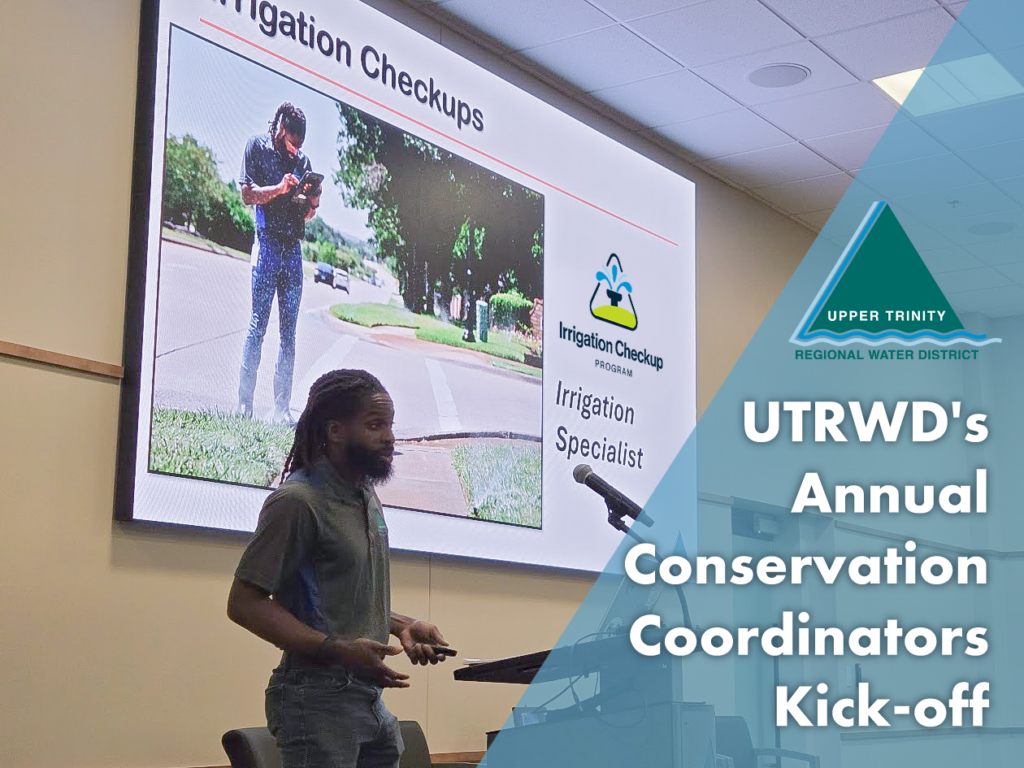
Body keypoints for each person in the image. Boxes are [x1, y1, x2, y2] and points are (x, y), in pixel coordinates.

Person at [227, 369, 449, 768]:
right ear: (334, 431)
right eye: (375, 425)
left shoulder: (365, 494)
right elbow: (244, 602)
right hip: (315, 701)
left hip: (369, 700)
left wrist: (402, 625)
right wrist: (337, 650)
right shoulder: (298, 501)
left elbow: (344, 589)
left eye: (390, 425)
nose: (390, 437)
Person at [237, 102, 321, 423]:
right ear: (281, 129)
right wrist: (279, 188)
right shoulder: (256, 147)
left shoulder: (303, 161)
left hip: (293, 250)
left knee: (289, 334)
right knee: (258, 324)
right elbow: (247, 194)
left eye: (300, 145)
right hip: (268, 242)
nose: (296, 150)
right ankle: (244, 406)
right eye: (293, 143)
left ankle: (281, 408)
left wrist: (312, 199)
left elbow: (309, 213)